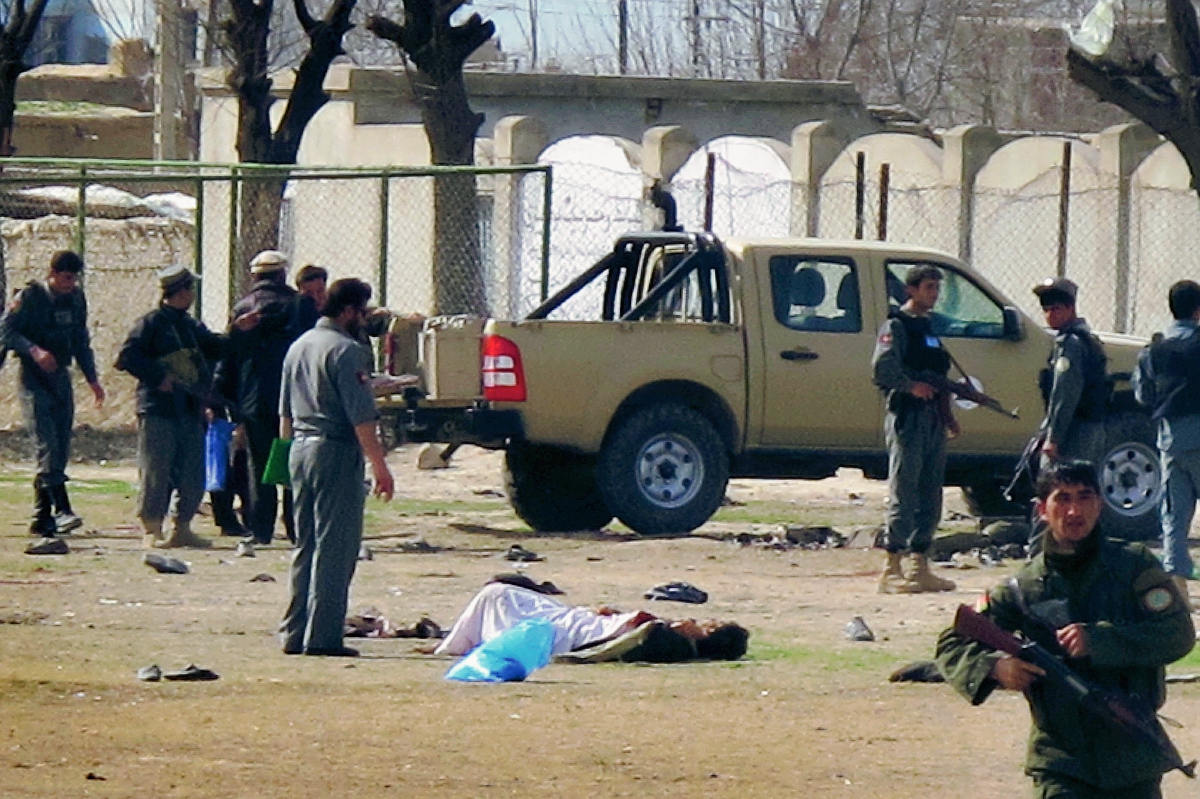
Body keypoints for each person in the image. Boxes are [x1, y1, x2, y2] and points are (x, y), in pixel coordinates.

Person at [936, 460, 1194, 799]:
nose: (1075, 510)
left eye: (1085, 497)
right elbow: (953, 642)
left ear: (1100, 504)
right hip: (1061, 762)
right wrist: (995, 668)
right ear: (1043, 509)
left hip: (1132, 754)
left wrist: (1099, 640)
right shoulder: (1024, 587)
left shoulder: (1134, 565)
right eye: (1063, 499)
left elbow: (1178, 633)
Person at [278, 278, 394, 657]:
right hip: (335, 450)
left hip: (299, 449)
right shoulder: (346, 351)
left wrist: (283, 463)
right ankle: (324, 636)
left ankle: (294, 633)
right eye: (362, 311)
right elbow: (361, 416)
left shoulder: (299, 346)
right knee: (337, 547)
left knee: (305, 544)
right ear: (348, 311)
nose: (364, 319)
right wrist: (380, 467)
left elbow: (285, 413)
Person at [116, 265, 255, 549]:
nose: (193, 293)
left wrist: (237, 332)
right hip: (158, 409)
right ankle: (152, 527)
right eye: (190, 288)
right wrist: (158, 378)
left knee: (193, 470)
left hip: (189, 407)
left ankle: (183, 527)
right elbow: (128, 357)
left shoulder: (189, 325)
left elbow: (214, 348)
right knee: (157, 469)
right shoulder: (151, 324)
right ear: (179, 291)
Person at [0, 250, 105, 537]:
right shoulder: (31, 297)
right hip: (34, 379)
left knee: (60, 445)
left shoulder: (75, 299)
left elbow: (81, 340)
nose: (70, 284)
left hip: (61, 377)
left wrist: (93, 379)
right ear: (53, 274)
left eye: (74, 278)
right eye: (66, 278)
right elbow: (6, 332)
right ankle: (55, 511)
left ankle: (47, 514)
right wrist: (33, 350)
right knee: (46, 443)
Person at [871, 264, 957, 594]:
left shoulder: (929, 328)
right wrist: (910, 386)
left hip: (932, 417)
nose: (934, 294)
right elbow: (882, 369)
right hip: (908, 416)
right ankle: (892, 566)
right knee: (905, 489)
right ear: (911, 290)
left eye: (936, 288)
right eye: (928, 288)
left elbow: (939, 376)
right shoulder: (898, 325)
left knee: (929, 490)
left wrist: (948, 416)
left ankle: (920, 564)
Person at [435, 579, 750, 662]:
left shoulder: (668, 639)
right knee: (501, 593)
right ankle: (454, 644)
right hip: (575, 623)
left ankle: (454, 646)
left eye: (707, 624)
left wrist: (675, 626)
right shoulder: (663, 639)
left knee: (499, 594)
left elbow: (636, 629)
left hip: (567, 631)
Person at [219, 249, 300, 546]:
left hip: (253, 398)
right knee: (295, 461)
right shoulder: (297, 306)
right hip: (294, 398)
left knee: (260, 464)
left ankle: (261, 527)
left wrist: (225, 399)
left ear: (254, 276)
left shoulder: (243, 309)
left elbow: (229, 359)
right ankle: (296, 526)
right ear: (282, 274)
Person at [1133, 279, 1200, 603]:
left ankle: (1179, 595)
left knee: (1173, 514)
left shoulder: (1154, 349)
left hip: (1171, 441)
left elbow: (1143, 394)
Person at [1033, 277, 1108, 469]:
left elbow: (1065, 394)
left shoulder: (1071, 344)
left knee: (1061, 486)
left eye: (1056, 309)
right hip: (1086, 427)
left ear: (1070, 308)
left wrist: (1054, 438)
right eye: (1046, 310)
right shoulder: (1082, 338)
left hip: (1076, 430)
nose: (1050, 315)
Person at [293, 264, 328, 334]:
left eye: (320, 291)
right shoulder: (294, 322)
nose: (315, 297)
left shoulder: (335, 316)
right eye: (309, 293)